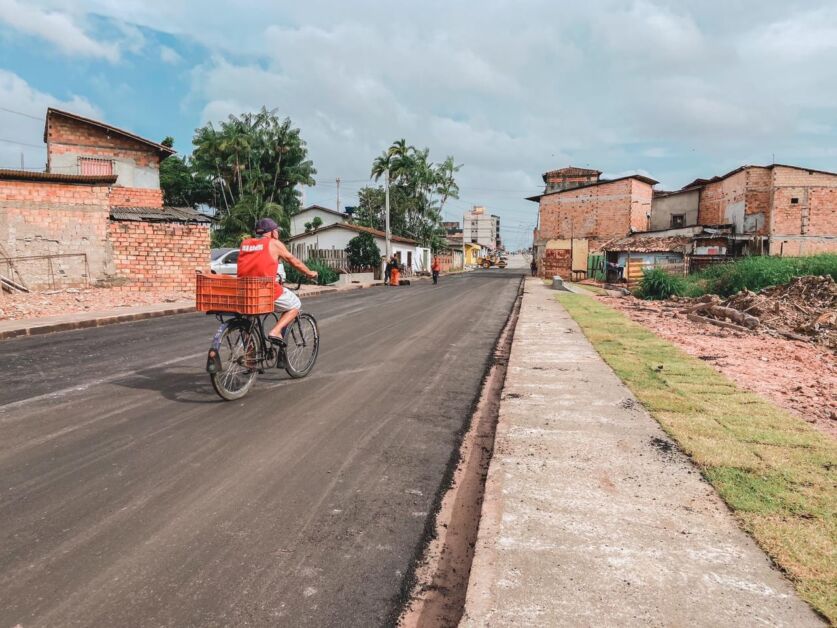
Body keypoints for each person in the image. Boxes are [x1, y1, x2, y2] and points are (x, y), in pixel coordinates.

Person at [237, 218, 317, 345]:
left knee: (248, 320)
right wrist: (309, 273)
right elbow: (293, 260)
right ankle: (276, 331)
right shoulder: (274, 243)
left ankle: (250, 357)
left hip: (245, 291)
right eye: (277, 231)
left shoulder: (245, 243)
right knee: (295, 304)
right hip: (265, 290)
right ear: (273, 232)